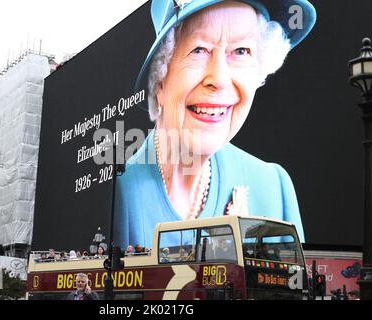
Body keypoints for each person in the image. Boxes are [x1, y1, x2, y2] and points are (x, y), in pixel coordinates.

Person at [114, 0, 316, 249]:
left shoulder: (274, 189)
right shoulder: (120, 194)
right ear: (160, 82)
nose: (219, 79)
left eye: (241, 51)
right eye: (199, 49)